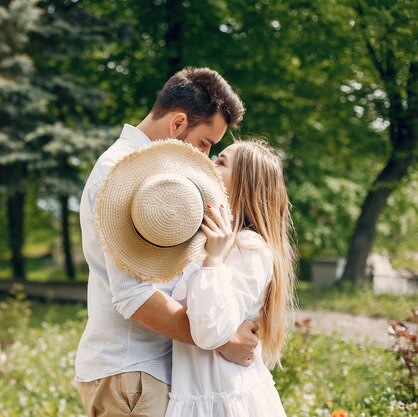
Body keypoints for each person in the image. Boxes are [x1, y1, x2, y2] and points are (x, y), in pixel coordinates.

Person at [75, 67, 257, 417]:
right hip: (133, 375)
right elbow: (134, 296)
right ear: (177, 124)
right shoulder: (119, 172)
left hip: (144, 375)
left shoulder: (154, 175)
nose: (204, 157)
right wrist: (222, 339)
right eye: (205, 142)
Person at [165, 139, 297, 416]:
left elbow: (210, 332)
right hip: (197, 391)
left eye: (221, 162)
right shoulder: (209, 242)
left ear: (244, 186)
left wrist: (213, 261)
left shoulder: (249, 247)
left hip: (223, 399)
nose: (210, 163)